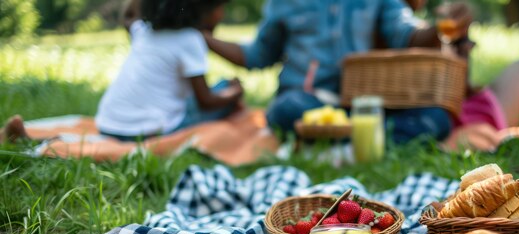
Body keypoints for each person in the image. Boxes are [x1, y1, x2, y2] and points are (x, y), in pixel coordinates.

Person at [202, 0, 472, 143]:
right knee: (286, 108)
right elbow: (257, 55)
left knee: (436, 119)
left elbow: (408, 35)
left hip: (358, 104)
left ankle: (340, 141)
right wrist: (203, 37)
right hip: (306, 102)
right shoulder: (283, 2)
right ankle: (369, 141)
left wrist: (440, 27)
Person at [2, 0, 244, 143]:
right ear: (202, 8)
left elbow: (128, 15)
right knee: (223, 91)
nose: (221, 12)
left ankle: (33, 137)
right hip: (149, 130)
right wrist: (235, 92)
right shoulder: (191, 39)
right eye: (219, 5)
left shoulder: (144, 31)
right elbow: (206, 101)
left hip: (108, 121)